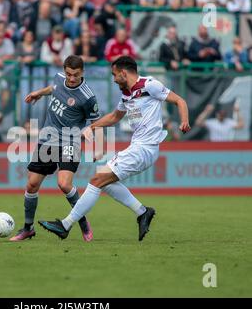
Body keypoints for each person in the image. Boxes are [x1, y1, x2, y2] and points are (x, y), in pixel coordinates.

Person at [38, 56, 191, 241]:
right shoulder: (126, 94)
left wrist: (184, 121)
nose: (113, 79)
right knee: (106, 182)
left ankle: (65, 225)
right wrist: (92, 127)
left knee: (96, 180)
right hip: (139, 148)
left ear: (123, 73)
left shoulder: (150, 85)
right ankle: (142, 212)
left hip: (145, 148)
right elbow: (114, 117)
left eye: (114, 75)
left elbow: (180, 101)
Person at [10, 55, 102, 242]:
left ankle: (82, 222)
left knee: (64, 184)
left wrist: (98, 147)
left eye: (76, 75)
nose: (72, 78)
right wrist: (38, 93)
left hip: (70, 141)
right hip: (48, 138)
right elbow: (53, 89)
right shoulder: (59, 78)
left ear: (82, 72)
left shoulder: (88, 97)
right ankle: (28, 228)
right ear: (64, 71)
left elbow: (97, 123)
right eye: (69, 74)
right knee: (32, 184)